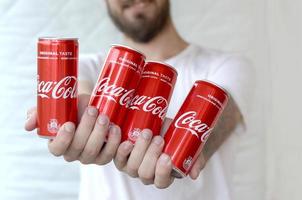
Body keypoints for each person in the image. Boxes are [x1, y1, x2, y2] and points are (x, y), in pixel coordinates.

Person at [25, 0, 258, 199]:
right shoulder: (85, 66)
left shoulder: (229, 66)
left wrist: (190, 148)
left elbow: (212, 129)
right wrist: (74, 118)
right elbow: (79, 96)